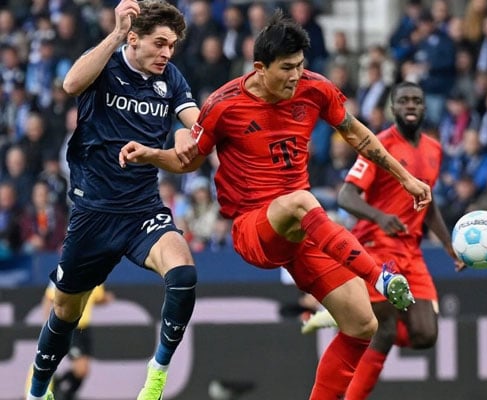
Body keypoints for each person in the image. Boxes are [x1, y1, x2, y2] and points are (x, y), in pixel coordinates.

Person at [118, 10, 432, 399]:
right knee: (301, 200)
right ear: (260, 68)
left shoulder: (315, 89)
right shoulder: (223, 105)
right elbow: (190, 161)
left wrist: (405, 177)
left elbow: (356, 134)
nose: (296, 76)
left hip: (304, 233)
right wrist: (151, 154)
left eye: (300, 66)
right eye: (286, 68)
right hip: (254, 229)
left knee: (361, 325)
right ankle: (380, 277)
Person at [26, 1, 200, 400]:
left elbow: (199, 128)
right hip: (93, 213)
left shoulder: (171, 79)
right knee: (66, 311)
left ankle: (156, 374)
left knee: (184, 274)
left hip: (142, 211)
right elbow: (70, 85)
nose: (166, 54)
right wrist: (117, 33)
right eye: (160, 43)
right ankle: (38, 391)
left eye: (172, 46)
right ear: (134, 38)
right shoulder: (105, 62)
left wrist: (185, 137)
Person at [302, 81, 465, 399]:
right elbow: (347, 195)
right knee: (384, 329)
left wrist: (448, 246)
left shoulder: (434, 149)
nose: (411, 106)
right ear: (393, 108)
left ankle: (342, 316)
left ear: (424, 106)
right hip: (377, 245)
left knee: (425, 335)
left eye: (416, 101)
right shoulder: (378, 146)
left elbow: (427, 204)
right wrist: (378, 216)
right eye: (403, 100)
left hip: (411, 251)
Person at [25, 284, 114, 400]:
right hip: (71, 328)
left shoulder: (98, 275)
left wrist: (105, 299)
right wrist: (48, 326)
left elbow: (96, 298)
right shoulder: (66, 272)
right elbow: (49, 298)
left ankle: (62, 389)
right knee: (80, 368)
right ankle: (61, 391)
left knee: (84, 371)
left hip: (85, 328)